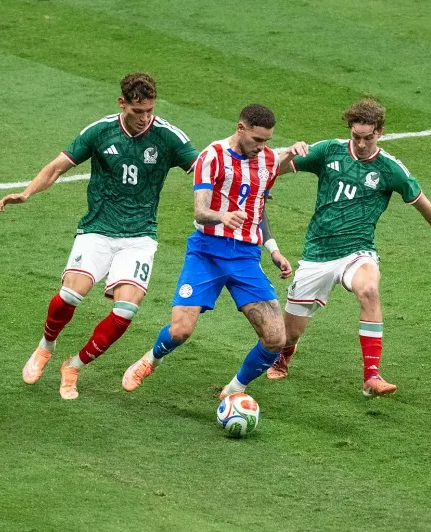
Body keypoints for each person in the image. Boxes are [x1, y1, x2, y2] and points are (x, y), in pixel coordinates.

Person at [0, 72, 199, 400]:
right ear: (122, 103)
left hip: (139, 236)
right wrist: (27, 193)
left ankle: (74, 366)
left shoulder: (168, 137)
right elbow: (57, 167)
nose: (144, 118)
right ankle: (45, 347)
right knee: (69, 297)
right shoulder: (100, 131)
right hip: (97, 230)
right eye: (138, 112)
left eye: (149, 110)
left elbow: (207, 170)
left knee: (125, 312)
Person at [266, 98, 431, 396]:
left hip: (358, 250)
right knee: (289, 333)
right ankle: (283, 358)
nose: (360, 144)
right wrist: (285, 156)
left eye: (367, 138)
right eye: (356, 137)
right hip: (317, 254)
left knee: (369, 289)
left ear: (380, 133)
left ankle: (371, 376)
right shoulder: (328, 150)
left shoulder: (390, 169)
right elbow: (274, 171)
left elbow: (421, 202)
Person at [121, 104, 308, 399]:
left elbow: (258, 208)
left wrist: (273, 249)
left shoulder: (269, 160)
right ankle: (150, 360)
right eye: (257, 140)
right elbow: (200, 210)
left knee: (276, 338)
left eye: (268, 141)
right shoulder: (213, 156)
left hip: (246, 257)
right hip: (207, 253)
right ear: (240, 128)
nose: (262, 147)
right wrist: (222, 216)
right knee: (181, 330)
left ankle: (233, 390)